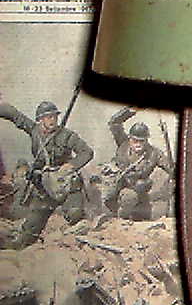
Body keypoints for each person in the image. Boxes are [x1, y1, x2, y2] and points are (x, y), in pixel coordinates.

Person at [0, 99, 93, 245]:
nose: (53, 120)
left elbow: (87, 152)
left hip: (65, 186)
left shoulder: (67, 135)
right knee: (28, 234)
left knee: (75, 215)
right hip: (44, 188)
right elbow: (16, 116)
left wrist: (71, 165)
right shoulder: (35, 131)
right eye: (48, 117)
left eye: (54, 116)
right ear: (40, 119)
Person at [102, 108, 173, 221]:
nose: (138, 144)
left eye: (142, 141)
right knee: (112, 197)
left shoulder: (154, 153)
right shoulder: (123, 144)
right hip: (117, 187)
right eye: (135, 140)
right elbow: (114, 123)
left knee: (149, 211)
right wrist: (131, 110)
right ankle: (119, 216)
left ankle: (125, 218)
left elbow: (170, 167)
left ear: (147, 140)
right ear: (130, 138)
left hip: (138, 190)